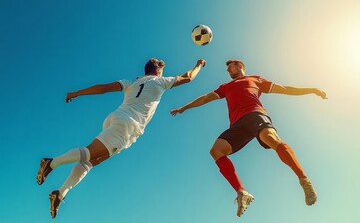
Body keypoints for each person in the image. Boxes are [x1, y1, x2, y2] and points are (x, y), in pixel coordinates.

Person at [37, 58, 206, 219]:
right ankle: (51, 163)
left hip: (117, 120)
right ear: (158, 71)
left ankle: (60, 193)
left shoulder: (130, 82)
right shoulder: (161, 81)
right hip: (126, 125)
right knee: (89, 154)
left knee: (91, 161)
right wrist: (198, 65)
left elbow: (103, 88)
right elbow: (188, 77)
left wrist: (77, 93)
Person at [170, 59, 327, 218]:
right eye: (227, 70)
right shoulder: (225, 87)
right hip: (237, 126)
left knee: (271, 139)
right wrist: (184, 108)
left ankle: (304, 180)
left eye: (230, 68)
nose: (228, 71)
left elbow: (284, 89)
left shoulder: (255, 79)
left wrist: (312, 90)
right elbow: (205, 98)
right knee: (216, 150)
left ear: (239, 66)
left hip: (255, 115)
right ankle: (242, 192)